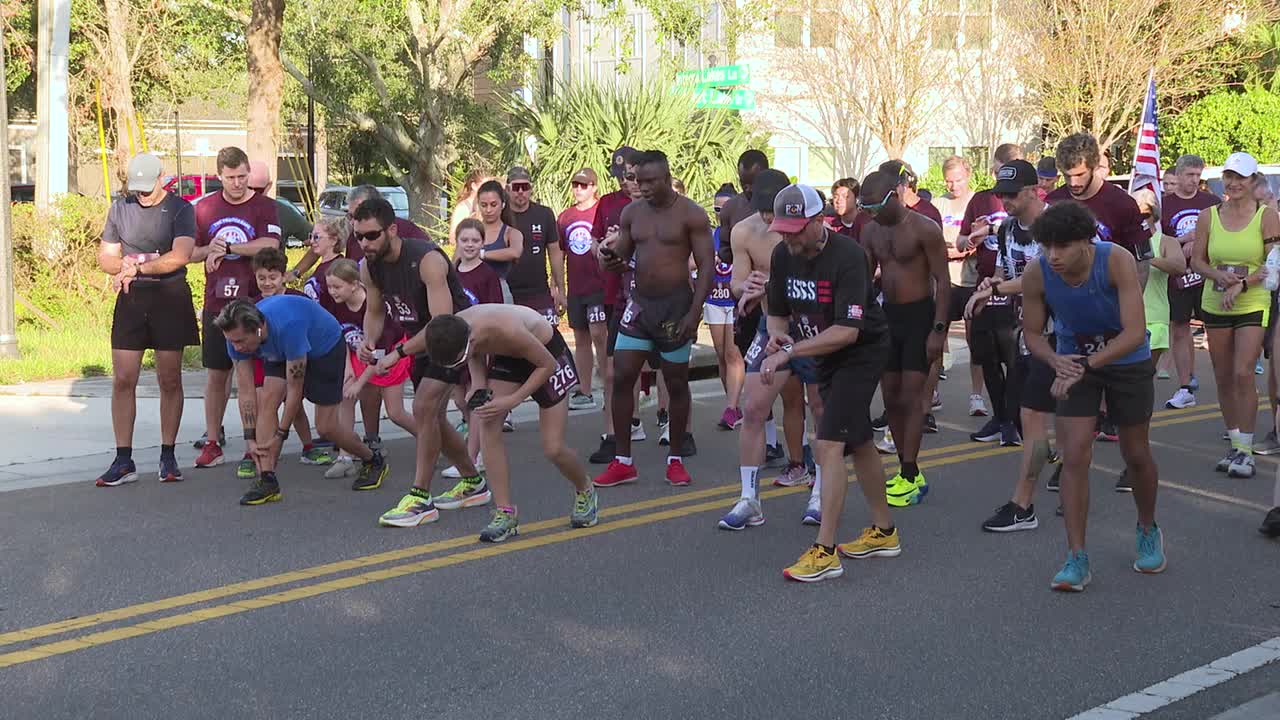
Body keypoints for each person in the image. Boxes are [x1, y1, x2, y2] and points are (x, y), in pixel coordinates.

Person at [736, 185, 894, 582]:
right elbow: (777, 310)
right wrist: (776, 333)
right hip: (819, 350)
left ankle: (825, 551)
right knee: (857, 441)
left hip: (859, 351)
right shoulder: (783, 254)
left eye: (796, 229)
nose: (788, 237)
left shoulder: (849, 256)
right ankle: (884, 532)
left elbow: (847, 332)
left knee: (827, 443)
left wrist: (790, 352)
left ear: (819, 221)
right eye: (782, 229)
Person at [1020, 202, 1164, 592]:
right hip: (1073, 359)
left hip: (1125, 358)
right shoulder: (1038, 272)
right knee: (1076, 453)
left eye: (1063, 246)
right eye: (1047, 246)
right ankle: (1076, 557)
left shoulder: (1115, 259)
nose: (1054, 255)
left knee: (1135, 454)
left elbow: (1135, 332)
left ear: (1086, 241)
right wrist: (1055, 360)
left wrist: (1086, 364)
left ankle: (1147, 527)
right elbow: (1032, 332)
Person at [349, 198, 480, 527]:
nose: (365, 243)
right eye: (359, 236)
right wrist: (369, 341)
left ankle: (421, 498)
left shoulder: (427, 260)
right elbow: (375, 311)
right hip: (418, 342)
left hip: (452, 338)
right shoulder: (370, 266)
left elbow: (442, 325)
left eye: (372, 235)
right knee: (434, 417)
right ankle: (474, 483)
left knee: (423, 408)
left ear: (392, 229)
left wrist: (398, 352)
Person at [421, 306, 601, 542]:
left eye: (459, 361)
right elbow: (473, 354)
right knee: (488, 423)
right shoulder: (457, 328)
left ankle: (585, 488)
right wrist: (478, 384)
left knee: (553, 447)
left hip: (546, 355)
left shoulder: (504, 329)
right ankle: (505, 512)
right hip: (510, 357)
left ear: (470, 340)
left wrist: (512, 401)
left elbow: (547, 366)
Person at [592, 150, 714, 488]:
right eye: (637, 180)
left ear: (666, 177)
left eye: (649, 181)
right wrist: (610, 258)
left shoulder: (691, 214)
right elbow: (623, 255)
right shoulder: (632, 213)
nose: (641, 187)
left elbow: (707, 266)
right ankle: (623, 460)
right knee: (620, 376)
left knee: (675, 383)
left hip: (676, 309)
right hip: (640, 306)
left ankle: (675, 458)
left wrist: (695, 312)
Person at [720, 169, 824, 529]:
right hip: (772, 326)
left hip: (812, 326)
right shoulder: (743, 232)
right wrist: (746, 286)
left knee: (819, 406)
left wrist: (775, 284)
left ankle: (821, 492)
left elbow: (821, 277)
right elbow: (736, 281)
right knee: (753, 407)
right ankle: (749, 499)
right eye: (763, 211)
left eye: (774, 211)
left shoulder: (808, 230)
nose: (768, 219)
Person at [216, 297, 388, 505]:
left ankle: (372, 460)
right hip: (281, 349)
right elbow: (245, 391)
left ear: (259, 329)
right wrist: (249, 437)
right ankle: (267, 479)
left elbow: (294, 391)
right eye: (232, 341)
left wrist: (281, 434)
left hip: (324, 346)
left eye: (240, 341)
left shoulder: (289, 328)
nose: (236, 347)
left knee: (326, 427)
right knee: (267, 402)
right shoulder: (235, 336)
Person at [94, 152, 200, 487]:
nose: (142, 194)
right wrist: (121, 267)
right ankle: (123, 458)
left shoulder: (181, 209)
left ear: (161, 178)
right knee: (123, 378)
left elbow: (180, 255)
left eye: (147, 187)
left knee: (169, 378)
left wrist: (138, 266)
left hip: (169, 296)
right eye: (136, 187)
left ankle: (167, 455)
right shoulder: (120, 208)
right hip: (131, 298)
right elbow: (106, 256)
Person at [965, 160, 1057, 530]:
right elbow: (1006, 273)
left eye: (1012, 194)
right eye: (1001, 193)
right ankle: (1024, 506)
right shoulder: (1005, 229)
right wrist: (987, 288)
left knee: (1072, 426)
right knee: (1030, 416)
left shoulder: (1059, 225)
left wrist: (999, 288)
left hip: (1077, 334)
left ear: (1034, 191)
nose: (1005, 201)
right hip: (1035, 336)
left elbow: (1046, 277)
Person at [859, 170, 950, 506]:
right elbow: (865, 282)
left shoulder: (924, 228)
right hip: (889, 319)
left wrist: (938, 331)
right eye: (866, 209)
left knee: (912, 397)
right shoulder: (871, 231)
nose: (871, 215)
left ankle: (911, 472)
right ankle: (904, 467)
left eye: (875, 208)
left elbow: (943, 281)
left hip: (920, 317)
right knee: (892, 398)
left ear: (893, 198)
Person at [190, 146, 282, 471]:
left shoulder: (265, 206)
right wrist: (208, 250)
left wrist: (231, 247)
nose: (238, 183)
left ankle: (252, 443)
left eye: (243, 176)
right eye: (231, 178)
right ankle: (212, 441)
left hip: (256, 303)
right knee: (217, 375)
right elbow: (190, 252)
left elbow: (270, 245)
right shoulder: (204, 208)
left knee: (254, 379)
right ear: (219, 176)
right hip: (217, 303)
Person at [1191, 152, 1280, 479]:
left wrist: (1242, 283)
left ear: (1254, 181)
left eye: (1241, 177)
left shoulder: (1266, 216)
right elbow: (1197, 261)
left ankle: (1246, 451)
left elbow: (1274, 264)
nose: (1234, 183)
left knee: (1243, 372)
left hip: (1252, 300)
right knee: (1223, 375)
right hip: (1216, 301)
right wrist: (1217, 277)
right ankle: (1236, 442)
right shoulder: (1207, 216)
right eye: (1229, 176)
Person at [325, 258, 416, 464]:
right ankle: (345, 453)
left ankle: (432, 440)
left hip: (391, 353)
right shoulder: (336, 303)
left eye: (337, 286)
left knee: (395, 412)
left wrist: (359, 382)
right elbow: (340, 336)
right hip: (358, 352)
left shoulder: (374, 308)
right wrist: (348, 369)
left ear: (355, 284)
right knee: (346, 396)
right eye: (330, 286)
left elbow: (380, 355)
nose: (333, 291)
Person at [251, 247, 332, 471]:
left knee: (293, 403)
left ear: (283, 276)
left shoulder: (298, 300)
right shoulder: (253, 305)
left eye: (272, 277)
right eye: (261, 278)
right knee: (264, 402)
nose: (267, 283)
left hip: (295, 354)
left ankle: (307, 446)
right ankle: (260, 451)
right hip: (265, 357)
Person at [589, 147, 646, 463]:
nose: (629, 184)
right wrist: (604, 248)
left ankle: (676, 439)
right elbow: (597, 248)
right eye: (623, 178)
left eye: (635, 177)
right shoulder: (609, 204)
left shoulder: (660, 209)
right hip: (617, 297)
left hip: (655, 301)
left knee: (667, 372)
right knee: (613, 371)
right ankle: (612, 436)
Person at [1162, 154, 1220, 411]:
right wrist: (1181, 242)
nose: (1194, 180)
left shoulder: (1211, 202)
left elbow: (1225, 234)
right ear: (1179, 174)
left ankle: (1232, 384)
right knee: (1180, 328)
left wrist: (1199, 244)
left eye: (1198, 175)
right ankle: (1185, 386)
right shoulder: (1165, 205)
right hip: (1178, 277)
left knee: (1217, 329)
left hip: (1208, 274)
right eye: (1190, 175)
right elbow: (1158, 240)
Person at [937, 155, 989, 418]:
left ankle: (976, 395)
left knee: (975, 341)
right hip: (944, 281)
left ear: (968, 175)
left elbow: (975, 244)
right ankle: (931, 391)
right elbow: (935, 242)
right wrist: (953, 248)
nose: (953, 186)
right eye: (949, 181)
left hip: (970, 280)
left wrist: (959, 248)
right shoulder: (939, 203)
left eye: (958, 180)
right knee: (935, 338)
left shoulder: (977, 202)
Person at [288, 186, 429, 277]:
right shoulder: (352, 227)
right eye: (350, 215)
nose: (353, 221)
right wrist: (295, 272)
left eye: (360, 215)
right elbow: (322, 239)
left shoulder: (407, 231)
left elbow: (428, 256)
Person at [559, 167, 609, 411]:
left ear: (594, 187)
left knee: (600, 335)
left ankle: (610, 390)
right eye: (576, 185)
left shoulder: (601, 211)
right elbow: (559, 251)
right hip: (576, 287)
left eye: (584, 185)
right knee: (581, 339)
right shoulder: (565, 217)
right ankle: (585, 390)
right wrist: (557, 285)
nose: (579, 189)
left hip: (598, 286)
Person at [504, 166, 567, 325]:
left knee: (549, 340)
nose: (520, 192)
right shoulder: (500, 215)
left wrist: (561, 291)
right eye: (516, 187)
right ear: (507, 189)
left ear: (531, 189)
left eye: (524, 187)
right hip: (507, 293)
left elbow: (555, 253)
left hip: (539, 292)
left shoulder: (544, 214)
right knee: (510, 346)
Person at [707, 187, 746, 430]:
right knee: (721, 355)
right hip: (714, 299)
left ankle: (731, 408)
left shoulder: (742, 233)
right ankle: (733, 403)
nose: (721, 215)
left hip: (734, 301)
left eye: (725, 209)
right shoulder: (712, 234)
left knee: (733, 354)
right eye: (716, 210)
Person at [475, 179, 524, 307]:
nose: (488, 210)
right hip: (473, 289)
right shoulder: (471, 231)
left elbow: (515, 252)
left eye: (493, 204)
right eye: (484, 205)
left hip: (499, 289)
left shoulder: (511, 232)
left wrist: (481, 254)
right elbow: (456, 261)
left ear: (502, 204)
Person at [301, 216, 346, 313]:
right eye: (311, 236)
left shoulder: (339, 267)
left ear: (333, 240)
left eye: (316, 237)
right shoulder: (323, 265)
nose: (312, 241)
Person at [718, 149, 770, 234]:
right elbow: (724, 245)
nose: (748, 189)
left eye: (753, 182)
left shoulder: (780, 206)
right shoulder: (730, 208)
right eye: (744, 183)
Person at [450, 169, 490, 244]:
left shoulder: (485, 206)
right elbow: (452, 238)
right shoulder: (462, 208)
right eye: (484, 185)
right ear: (474, 186)